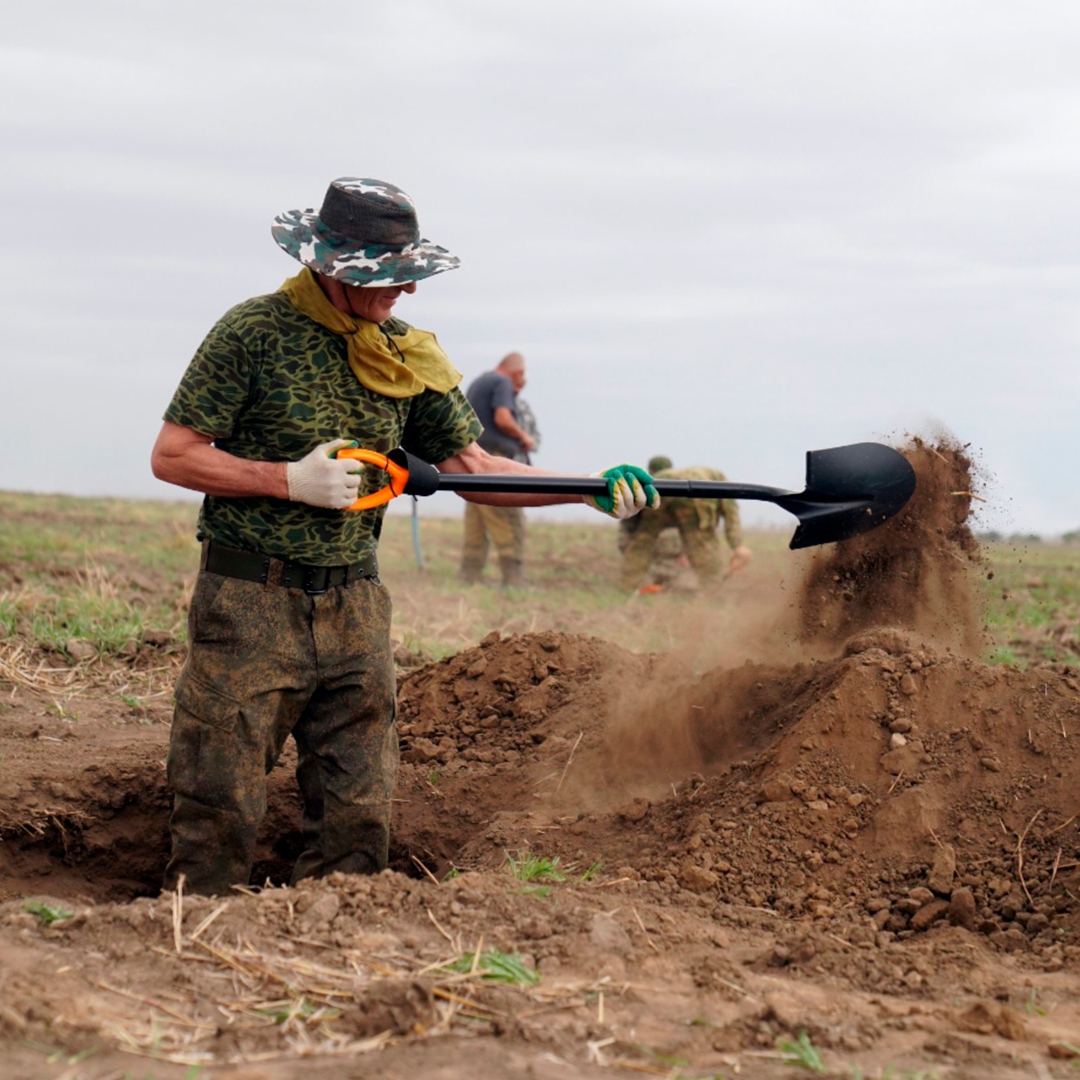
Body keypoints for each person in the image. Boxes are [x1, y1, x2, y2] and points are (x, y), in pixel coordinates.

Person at [150, 176, 659, 896]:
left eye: (407, 274)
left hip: (355, 604)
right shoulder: (252, 335)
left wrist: (588, 489)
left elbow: (473, 467)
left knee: (360, 812)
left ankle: (336, 947)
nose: (406, 292)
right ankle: (191, 945)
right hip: (248, 601)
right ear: (331, 266)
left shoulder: (405, 353)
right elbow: (173, 455)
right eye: (389, 277)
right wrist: (285, 480)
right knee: (218, 803)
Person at [458, 353, 538, 587]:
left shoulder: (479, 382)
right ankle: (514, 580)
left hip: (473, 463)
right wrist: (523, 436)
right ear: (517, 373)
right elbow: (502, 418)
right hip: (494, 461)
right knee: (507, 516)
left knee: (477, 520)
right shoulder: (502, 382)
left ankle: (469, 577)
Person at [619, 458, 752, 593]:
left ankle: (626, 588)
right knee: (703, 548)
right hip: (693, 494)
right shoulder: (719, 482)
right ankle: (712, 592)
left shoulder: (663, 476)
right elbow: (731, 515)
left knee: (643, 542)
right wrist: (737, 545)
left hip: (658, 490)